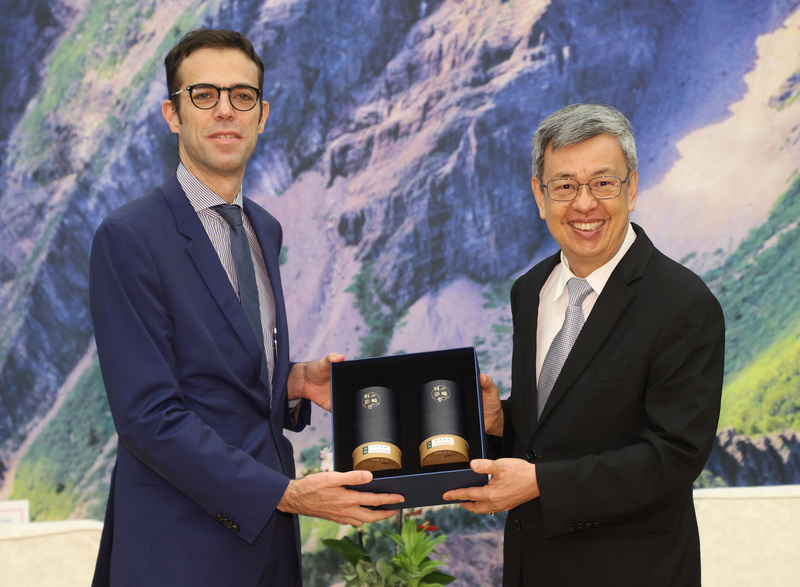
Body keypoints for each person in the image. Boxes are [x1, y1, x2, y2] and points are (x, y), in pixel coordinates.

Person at [89, 29, 403, 586]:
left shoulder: (264, 227)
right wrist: (283, 494)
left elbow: (219, 373)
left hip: (269, 550)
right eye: (204, 95)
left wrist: (291, 383)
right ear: (172, 113)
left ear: (261, 115)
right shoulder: (129, 236)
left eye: (242, 96)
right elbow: (148, 417)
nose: (225, 110)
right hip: (178, 549)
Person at [444, 103, 725, 586]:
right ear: (540, 194)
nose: (584, 204)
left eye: (603, 183)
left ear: (632, 188)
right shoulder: (529, 291)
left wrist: (540, 484)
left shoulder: (683, 303)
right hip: (533, 569)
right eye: (565, 186)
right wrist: (499, 422)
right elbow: (555, 428)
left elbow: (674, 456)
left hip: (635, 573)